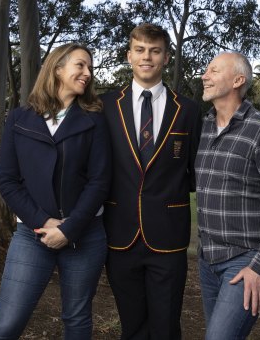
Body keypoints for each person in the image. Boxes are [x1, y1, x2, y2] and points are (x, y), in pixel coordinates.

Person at [0, 43, 111, 340]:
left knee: (77, 321)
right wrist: (43, 221)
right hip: (31, 234)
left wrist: (70, 228)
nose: (87, 73)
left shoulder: (94, 120)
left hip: (85, 235)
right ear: (57, 69)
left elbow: (99, 181)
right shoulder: (19, 118)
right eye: (80, 65)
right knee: (7, 323)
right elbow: (8, 181)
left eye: (90, 68)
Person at [100, 23, 202, 340]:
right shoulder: (104, 107)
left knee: (166, 326)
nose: (147, 57)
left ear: (166, 57)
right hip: (120, 232)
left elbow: (195, 170)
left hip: (168, 236)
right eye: (141, 50)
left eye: (155, 51)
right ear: (129, 56)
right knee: (132, 326)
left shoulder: (188, 109)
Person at [195, 52, 260, 340]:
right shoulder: (204, 128)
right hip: (208, 259)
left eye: (214, 70)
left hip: (246, 261)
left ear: (238, 80)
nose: (205, 75)